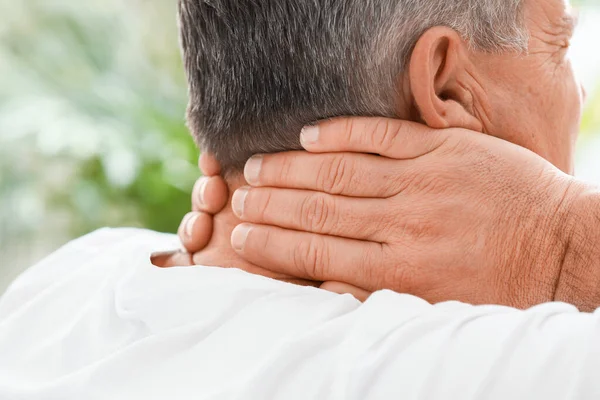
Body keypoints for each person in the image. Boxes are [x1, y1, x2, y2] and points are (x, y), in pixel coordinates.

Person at [2, 0, 600, 398]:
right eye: (558, 46)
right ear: (444, 85)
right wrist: (563, 244)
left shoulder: (64, 283)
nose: (576, 86)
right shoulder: (516, 368)